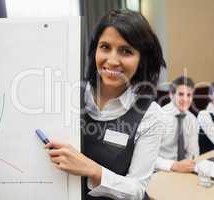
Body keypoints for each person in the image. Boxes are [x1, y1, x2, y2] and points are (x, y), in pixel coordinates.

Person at [45, 9, 167, 200]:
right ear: (95, 50)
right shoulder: (68, 95)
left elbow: (136, 189)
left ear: (142, 58)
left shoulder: (151, 115)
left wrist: (92, 169)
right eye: (105, 47)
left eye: (126, 51)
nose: (112, 61)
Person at [155, 76, 199, 173]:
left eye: (189, 95)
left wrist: (190, 165)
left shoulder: (192, 119)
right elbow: (148, 157)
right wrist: (174, 166)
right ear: (171, 95)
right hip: (161, 171)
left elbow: (193, 153)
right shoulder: (159, 117)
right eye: (181, 94)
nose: (185, 99)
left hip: (184, 172)